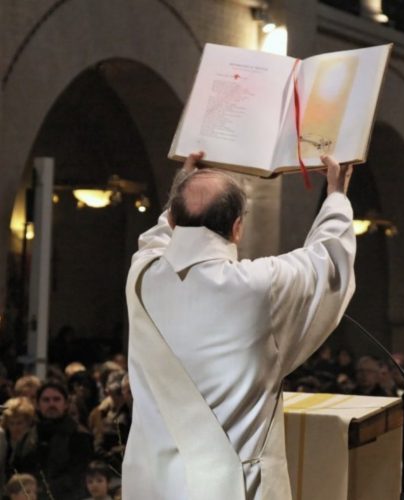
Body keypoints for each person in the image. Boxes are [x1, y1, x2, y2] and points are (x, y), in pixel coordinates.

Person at [123, 152, 356, 499]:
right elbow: (329, 264)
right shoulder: (259, 286)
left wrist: (185, 178)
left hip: (154, 486)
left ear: (172, 219)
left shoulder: (141, 276)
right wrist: (336, 195)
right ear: (236, 228)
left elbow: (157, 237)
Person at [11, 381, 93, 500]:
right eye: (46, 400)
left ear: (66, 404)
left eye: (56, 399)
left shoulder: (79, 436)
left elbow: (79, 476)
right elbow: (15, 469)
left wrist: (43, 490)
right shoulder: (28, 437)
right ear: (37, 405)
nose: (51, 404)